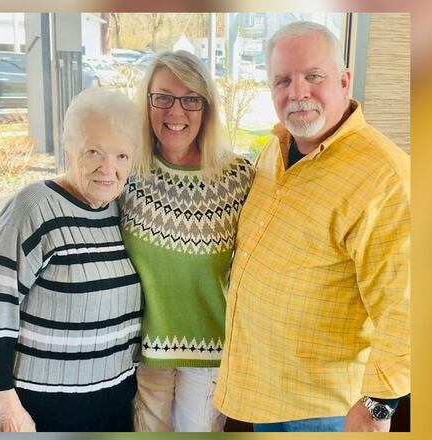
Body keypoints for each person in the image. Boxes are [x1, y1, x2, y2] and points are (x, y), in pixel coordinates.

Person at [213, 21, 411, 432]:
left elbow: (409, 308)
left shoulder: (385, 177)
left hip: (326, 411)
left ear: (343, 80)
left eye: (313, 76)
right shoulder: (278, 145)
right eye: (283, 80)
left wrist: (377, 408)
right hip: (265, 392)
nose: (297, 92)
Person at [0, 87, 143, 432]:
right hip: (41, 409)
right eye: (94, 152)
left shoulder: (119, 212)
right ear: (69, 151)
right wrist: (6, 405)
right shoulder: (33, 208)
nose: (109, 169)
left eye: (122, 156)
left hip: (114, 405)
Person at [118, 50, 255, 432]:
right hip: (143, 350)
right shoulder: (129, 171)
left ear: (206, 108)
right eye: (162, 97)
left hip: (212, 349)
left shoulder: (238, 177)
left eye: (190, 99)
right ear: (146, 103)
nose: (175, 112)